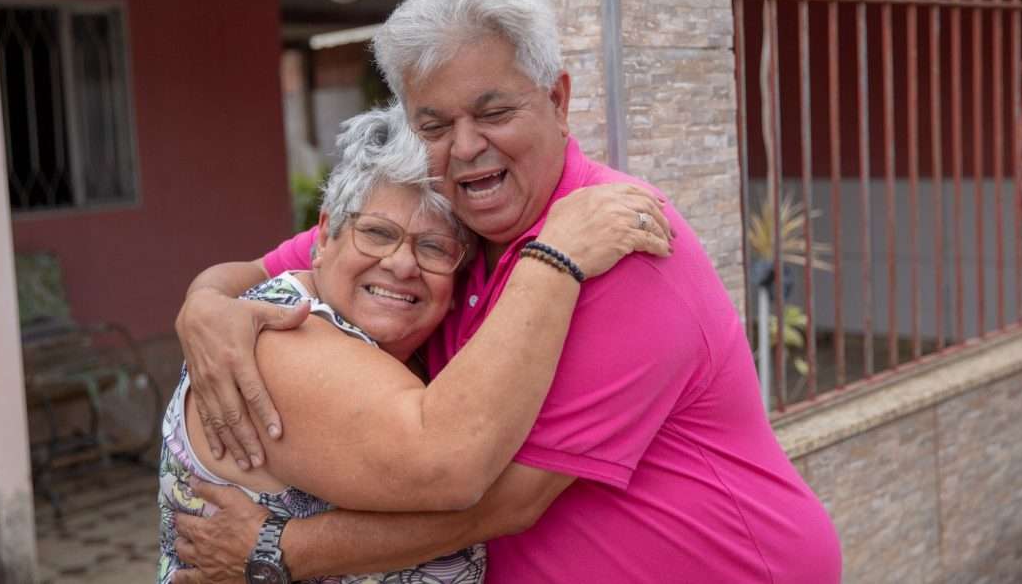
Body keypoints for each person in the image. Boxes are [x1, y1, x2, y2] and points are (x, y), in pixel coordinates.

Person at [174, 0, 842, 583]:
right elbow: (269, 268)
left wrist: (279, 549)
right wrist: (203, 306)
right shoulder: (442, 225)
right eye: (435, 124)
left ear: (557, 100)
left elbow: (502, 500)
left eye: (493, 113)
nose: (466, 146)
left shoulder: (616, 244)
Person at [161, 104, 668, 582]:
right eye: (378, 234)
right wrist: (554, 256)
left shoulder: (402, 338)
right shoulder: (279, 336)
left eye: (433, 247)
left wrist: (204, 295)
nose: (401, 264)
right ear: (324, 237)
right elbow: (448, 467)